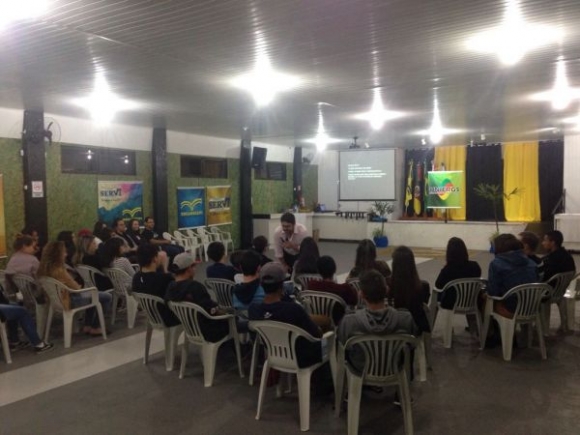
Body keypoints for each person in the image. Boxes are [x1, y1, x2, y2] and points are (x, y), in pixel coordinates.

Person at [338, 269, 417, 372]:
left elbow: (343, 344)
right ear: (387, 290)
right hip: (393, 366)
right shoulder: (406, 319)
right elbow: (412, 344)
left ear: (361, 294)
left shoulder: (349, 321)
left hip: (361, 368)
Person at [249, 262, 323, 368]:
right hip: (301, 358)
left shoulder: (254, 309)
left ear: (261, 284)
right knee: (328, 342)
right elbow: (316, 334)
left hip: (272, 354)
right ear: (282, 285)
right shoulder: (293, 309)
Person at [38, 241, 111, 335]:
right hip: (70, 301)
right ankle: (96, 326)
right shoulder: (60, 271)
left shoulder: (43, 270)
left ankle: (87, 325)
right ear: (57, 255)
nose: (66, 254)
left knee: (93, 295)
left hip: (56, 301)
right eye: (64, 252)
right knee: (106, 296)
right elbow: (76, 288)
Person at [165, 252, 229, 342]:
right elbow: (211, 310)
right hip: (208, 330)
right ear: (189, 269)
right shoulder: (195, 287)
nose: (196, 269)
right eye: (194, 266)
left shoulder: (170, 287)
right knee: (234, 319)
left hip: (189, 328)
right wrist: (226, 313)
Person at [487, 234, 538, 315]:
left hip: (511, 308)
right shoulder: (532, 263)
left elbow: (493, 292)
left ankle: (491, 327)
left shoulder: (496, 264)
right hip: (531, 306)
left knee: (482, 300)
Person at [132, 244, 179, 327]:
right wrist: (165, 269)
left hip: (152, 317)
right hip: (170, 317)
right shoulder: (164, 278)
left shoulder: (136, 278)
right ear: (154, 259)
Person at [388, 246, 431, 334]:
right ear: (412, 263)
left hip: (391, 328)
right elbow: (424, 305)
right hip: (414, 330)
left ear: (394, 264)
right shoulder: (423, 287)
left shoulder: (387, 286)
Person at [307, 256, 358, 323]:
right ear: (334, 270)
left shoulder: (311, 285)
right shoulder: (343, 288)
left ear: (318, 270)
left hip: (318, 321)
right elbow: (354, 301)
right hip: (338, 322)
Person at [435, 237, 482, 309]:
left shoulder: (447, 270)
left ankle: (431, 318)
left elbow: (438, 285)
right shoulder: (475, 266)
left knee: (437, 294)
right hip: (472, 301)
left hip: (452, 303)